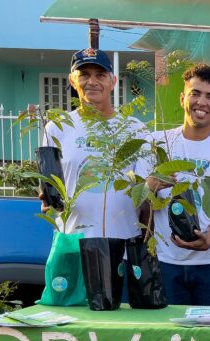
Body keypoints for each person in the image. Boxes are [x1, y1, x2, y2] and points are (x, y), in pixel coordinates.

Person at [149, 64, 210, 306]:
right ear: (183, 98)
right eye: (195, 93)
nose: (201, 102)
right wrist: (150, 185)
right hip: (165, 261)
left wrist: (209, 239)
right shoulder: (157, 143)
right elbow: (137, 201)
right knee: (166, 336)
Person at [44, 48, 146, 240]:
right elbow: (50, 187)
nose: (92, 82)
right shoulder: (56, 128)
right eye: (84, 75)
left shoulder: (135, 130)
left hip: (123, 243)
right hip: (72, 241)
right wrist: (46, 197)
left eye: (100, 75)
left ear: (113, 81)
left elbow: (145, 190)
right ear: (72, 80)